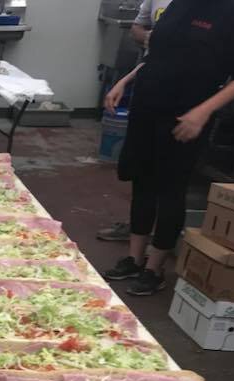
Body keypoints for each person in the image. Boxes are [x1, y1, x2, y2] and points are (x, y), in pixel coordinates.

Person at [102, 0, 234, 295]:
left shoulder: (233, 13)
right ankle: (135, 258)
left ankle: (155, 268)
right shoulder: (178, 5)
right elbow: (158, 55)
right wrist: (125, 81)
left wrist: (203, 112)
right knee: (142, 180)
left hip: (186, 114)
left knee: (171, 188)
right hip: (147, 105)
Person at [97, 0, 172, 243]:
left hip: (186, 99)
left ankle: (161, 241)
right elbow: (140, 33)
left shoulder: (230, 8)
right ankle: (137, 231)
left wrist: (203, 110)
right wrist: (127, 79)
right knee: (140, 168)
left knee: (170, 177)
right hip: (150, 87)